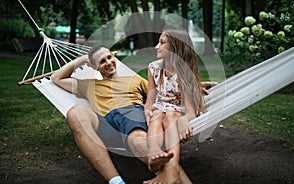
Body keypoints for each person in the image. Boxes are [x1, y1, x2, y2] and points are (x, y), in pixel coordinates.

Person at [51, 44, 200, 184]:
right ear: (95, 67)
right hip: (106, 123)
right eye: (102, 61)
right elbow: (56, 78)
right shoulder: (88, 85)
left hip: (132, 114)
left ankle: (170, 172)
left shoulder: (133, 80)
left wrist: (195, 86)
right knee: (74, 113)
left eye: (110, 57)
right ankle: (116, 181)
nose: (109, 62)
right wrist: (84, 59)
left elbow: (164, 89)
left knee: (139, 142)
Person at [143, 27, 209, 184]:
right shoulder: (153, 68)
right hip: (160, 108)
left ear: (175, 47)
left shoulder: (184, 72)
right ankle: (153, 156)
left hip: (177, 110)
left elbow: (191, 112)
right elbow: (150, 101)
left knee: (172, 116)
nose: (156, 46)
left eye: (162, 43)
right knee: (156, 114)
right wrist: (147, 111)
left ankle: (172, 167)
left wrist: (184, 120)